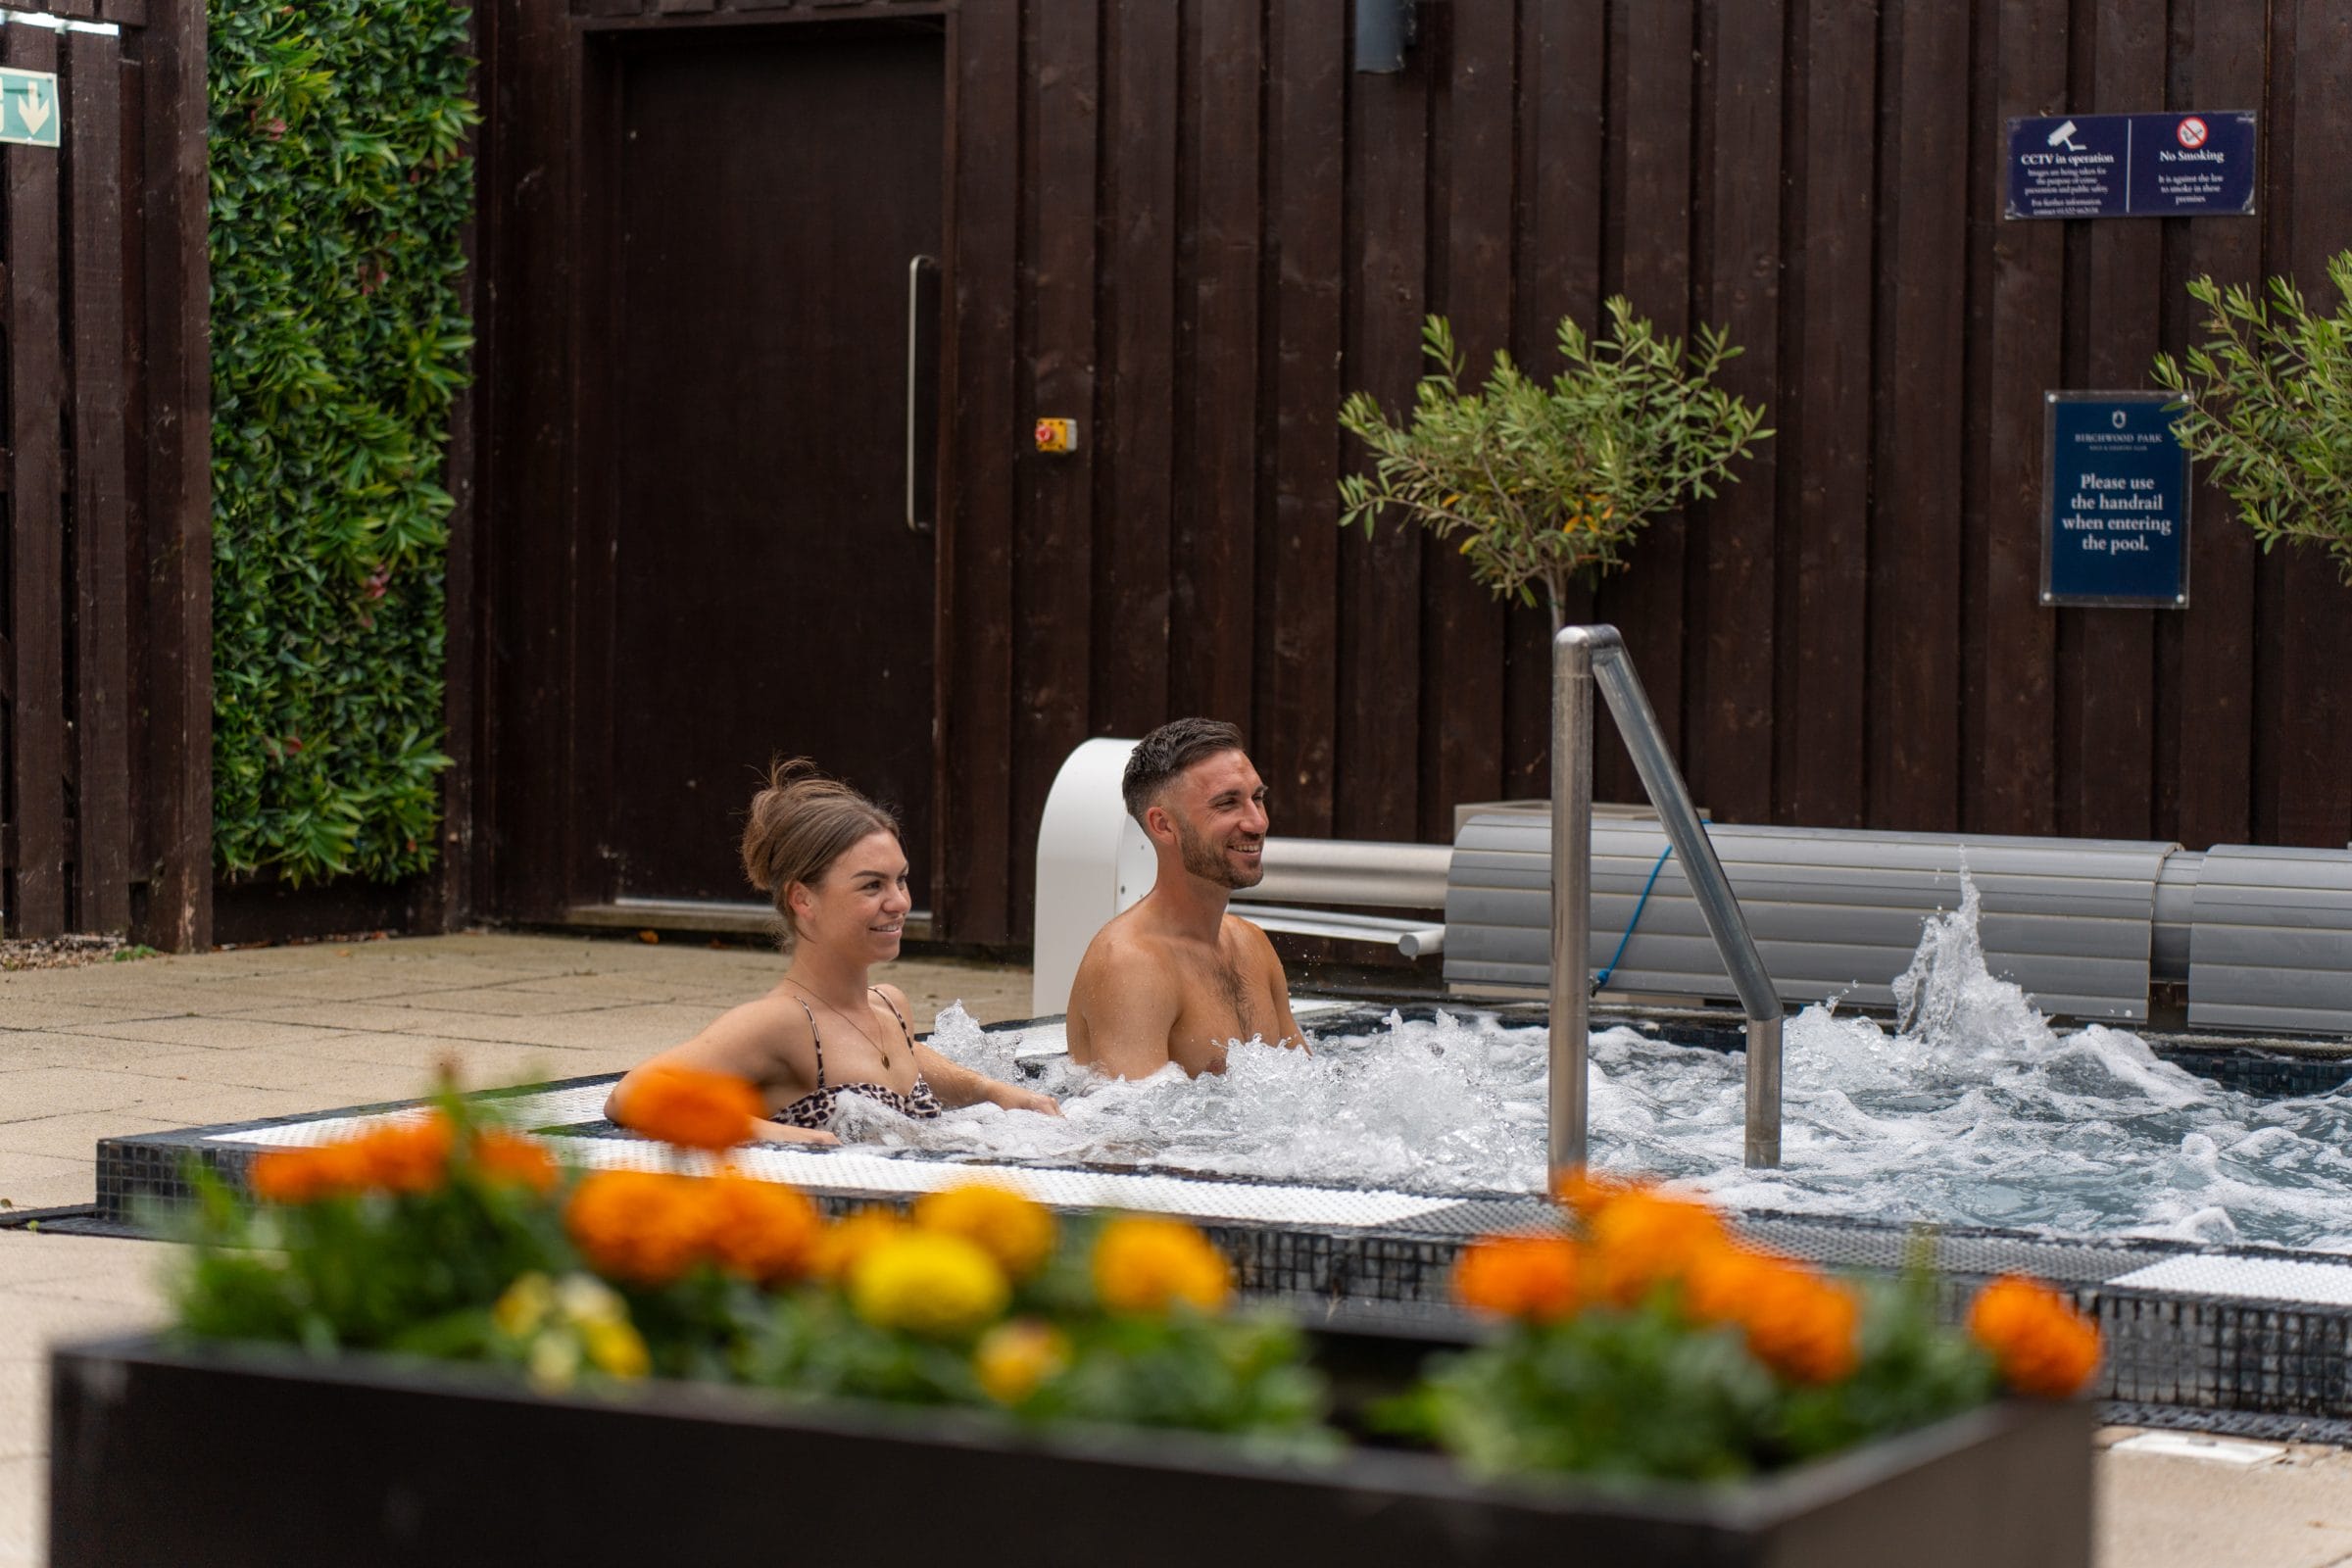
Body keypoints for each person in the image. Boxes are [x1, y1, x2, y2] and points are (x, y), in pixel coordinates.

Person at [607, 760, 1059, 1146]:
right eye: (871, 885)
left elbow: (907, 1059)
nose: (899, 901)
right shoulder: (784, 1023)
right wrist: (777, 1136)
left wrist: (991, 1090)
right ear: (803, 900)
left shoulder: (888, 1006)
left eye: (900, 879)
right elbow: (632, 1096)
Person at [1065, 718, 1306, 1079]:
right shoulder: (1131, 965)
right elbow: (1126, 1131)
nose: (1257, 823)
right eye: (1227, 804)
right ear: (1163, 826)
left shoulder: (1252, 944)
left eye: (1257, 798)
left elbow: (1310, 1089)